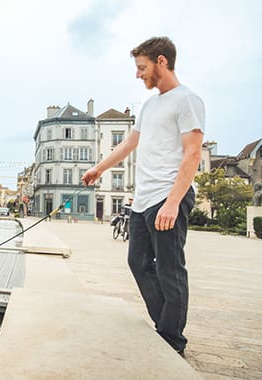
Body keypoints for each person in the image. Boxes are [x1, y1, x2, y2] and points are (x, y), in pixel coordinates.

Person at [82, 36, 205, 357]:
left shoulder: (187, 100)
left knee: (170, 269)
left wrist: (174, 202)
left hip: (169, 196)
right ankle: (166, 326)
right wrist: (98, 169)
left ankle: (171, 341)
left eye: (142, 68)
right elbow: (128, 145)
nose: (138, 75)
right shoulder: (150, 105)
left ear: (161, 62)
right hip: (143, 199)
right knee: (137, 261)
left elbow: (192, 154)